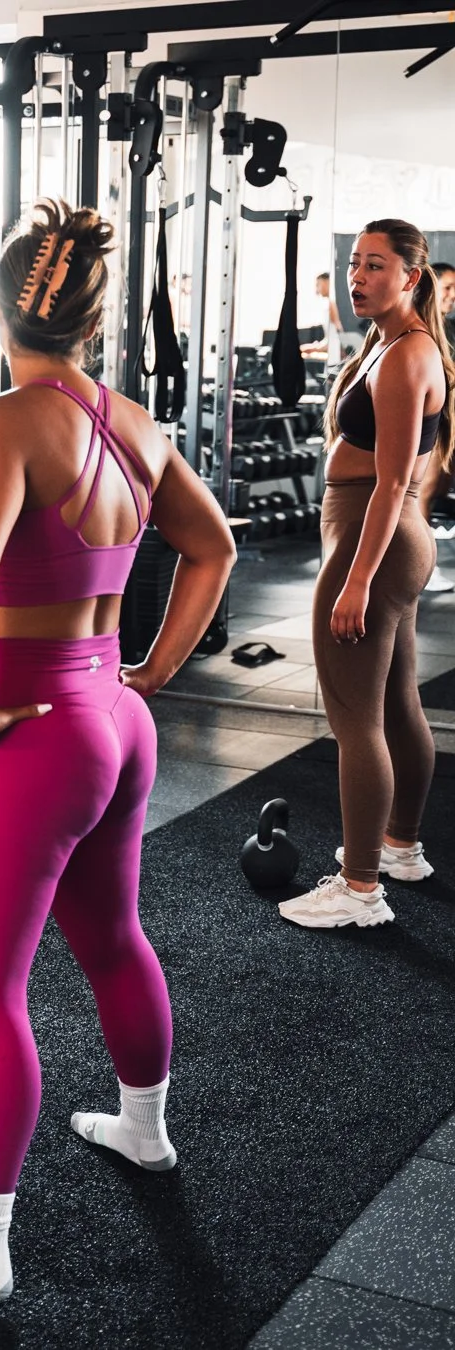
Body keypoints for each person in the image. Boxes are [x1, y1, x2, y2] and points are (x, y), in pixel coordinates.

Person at [0, 201, 236, 1334]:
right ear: (95, 321)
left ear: (3, 312)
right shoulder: (138, 423)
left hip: (33, 731)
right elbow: (214, 548)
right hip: (115, 715)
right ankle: (147, 1128)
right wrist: (153, 666)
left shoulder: (3, 422)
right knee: (111, 937)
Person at [279, 220, 454, 931]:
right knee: (397, 702)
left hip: (372, 539)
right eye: (354, 264)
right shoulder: (387, 343)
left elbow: (389, 484)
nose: (359, 277)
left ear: (413, 277)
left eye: (376, 266)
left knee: (355, 721)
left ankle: (359, 888)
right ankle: (400, 848)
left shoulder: (409, 355)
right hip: (376, 538)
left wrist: (355, 579)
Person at [420, 260, 455, 591]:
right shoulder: (423, 329)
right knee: (424, 495)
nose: (453, 295)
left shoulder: (448, 327)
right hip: (433, 426)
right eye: (447, 288)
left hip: (450, 425)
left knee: (438, 491)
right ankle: (420, 570)